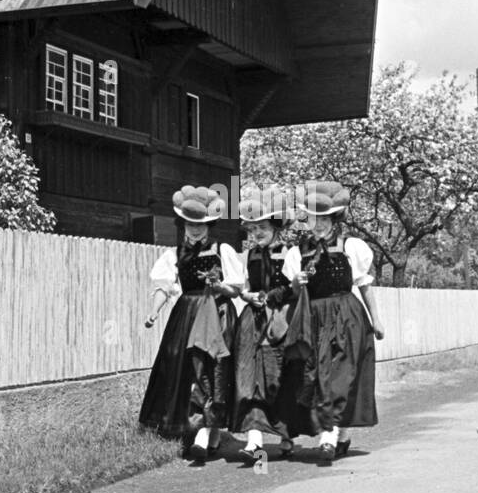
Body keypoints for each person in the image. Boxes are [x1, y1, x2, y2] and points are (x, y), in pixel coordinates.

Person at [139, 185, 244, 465]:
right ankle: (196, 431)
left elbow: (236, 290)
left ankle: (206, 434)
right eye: (190, 224)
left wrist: (219, 285)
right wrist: (154, 312)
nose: (195, 230)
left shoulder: (223, 250)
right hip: (186, 314)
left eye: (200, 225)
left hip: (217, 313)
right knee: (184, 369)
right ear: (183, 224)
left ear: (209, 225)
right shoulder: (174, 254)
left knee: (213, 371)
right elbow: (164, 286)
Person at [290, 181, 385, 464]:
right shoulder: (299, 251)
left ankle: (333, 435)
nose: (318, 224)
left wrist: (376, 320)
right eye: (313, 218)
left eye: (324, 218)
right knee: (321, 374)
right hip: (315, 317)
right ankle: (335, 435)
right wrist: (298, 282)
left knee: (342, 374)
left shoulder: (351, 246)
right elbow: (295, 291)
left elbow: (364, 285)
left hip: (346, 316)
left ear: (334, 219)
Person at [231, 190, 312, 465]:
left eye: (263, 228)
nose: (257, 234)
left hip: (280, 321)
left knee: (278, 379)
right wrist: (248, 296)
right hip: (253, 321)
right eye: (253, 229)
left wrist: (276, 296)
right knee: (251, 378)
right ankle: (255, 443)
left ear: (275, 228)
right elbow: (242, 288)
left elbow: (295, 288)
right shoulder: (249, 255)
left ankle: (286, 435)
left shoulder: (290, 254)